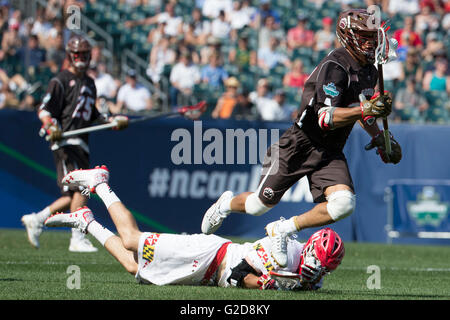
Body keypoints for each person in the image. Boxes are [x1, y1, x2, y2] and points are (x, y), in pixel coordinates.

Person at [201, 9, 402, 268]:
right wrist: (367, 109)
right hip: (301, 143)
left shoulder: (369, 70)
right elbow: (325, 118)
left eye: (372, 37)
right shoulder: (335, 66)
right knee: (257, 205)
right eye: (364, 37)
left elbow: (362, 111)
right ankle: (226, 203)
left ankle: (283, 230)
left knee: (343, 204)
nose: (371, 43)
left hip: (330, 150)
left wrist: (381, 138)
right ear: (349, 36)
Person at [44, 165, 345, 290]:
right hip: (210, 255)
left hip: (209, 276)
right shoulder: (286, 250)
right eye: (319, 262)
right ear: (308, 248)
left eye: (324, 267)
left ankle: (86, 221)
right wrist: (264, 284)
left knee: (132, 267)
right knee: (131, 239)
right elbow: (241, 274)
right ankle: (101, 184)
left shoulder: (311, 281)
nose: (318, 270)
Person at [21, 34, 129, 252]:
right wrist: (51, 126)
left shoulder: (89, 83)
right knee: (82, 189)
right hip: (66, 143)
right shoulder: (60, 80)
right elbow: (45, 110)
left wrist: (113, 122)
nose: (81, 58)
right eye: (77, 54)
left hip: (82, 144)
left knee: (72, 195)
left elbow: (94, 116)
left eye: (84, 54)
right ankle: (77, 237)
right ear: (70, 55)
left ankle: (37, 219)